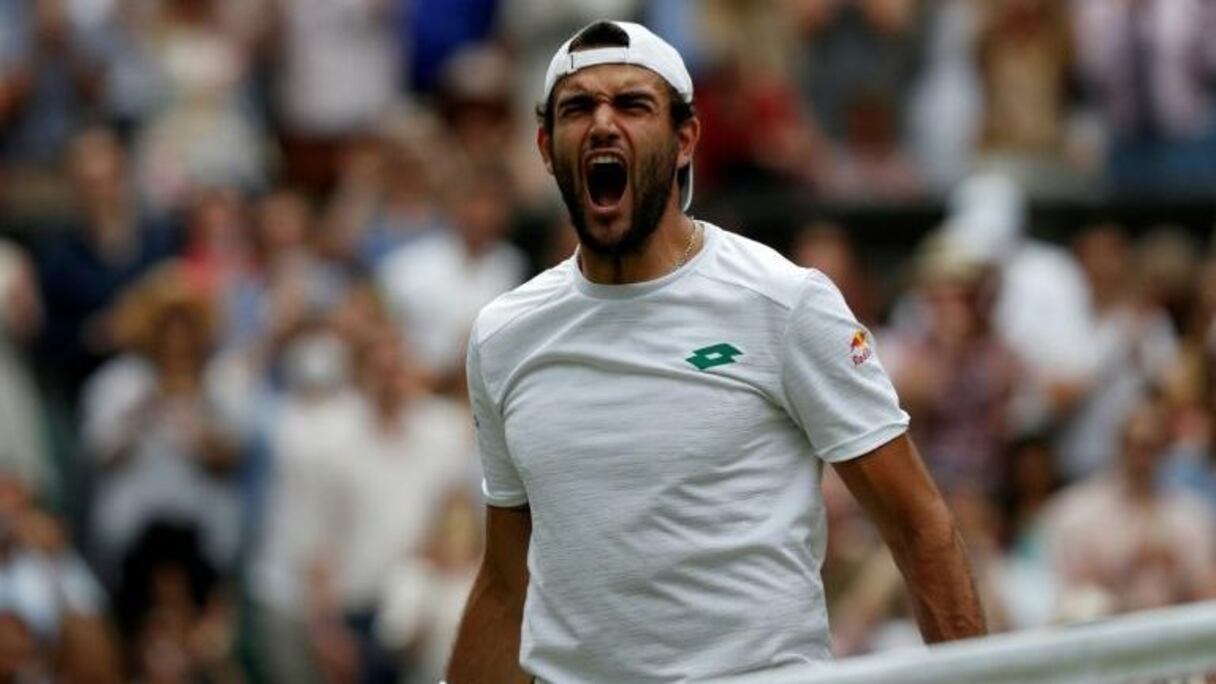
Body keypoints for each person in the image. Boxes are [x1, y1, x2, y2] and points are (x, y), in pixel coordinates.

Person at [448, 21, 986, 682]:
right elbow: (506, 584)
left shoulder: (784, 303)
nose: (603, 124)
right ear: (545, 146)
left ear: (684, 140)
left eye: (633, 104)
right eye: (578, 108)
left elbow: (919, 529)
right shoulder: (504, 334)